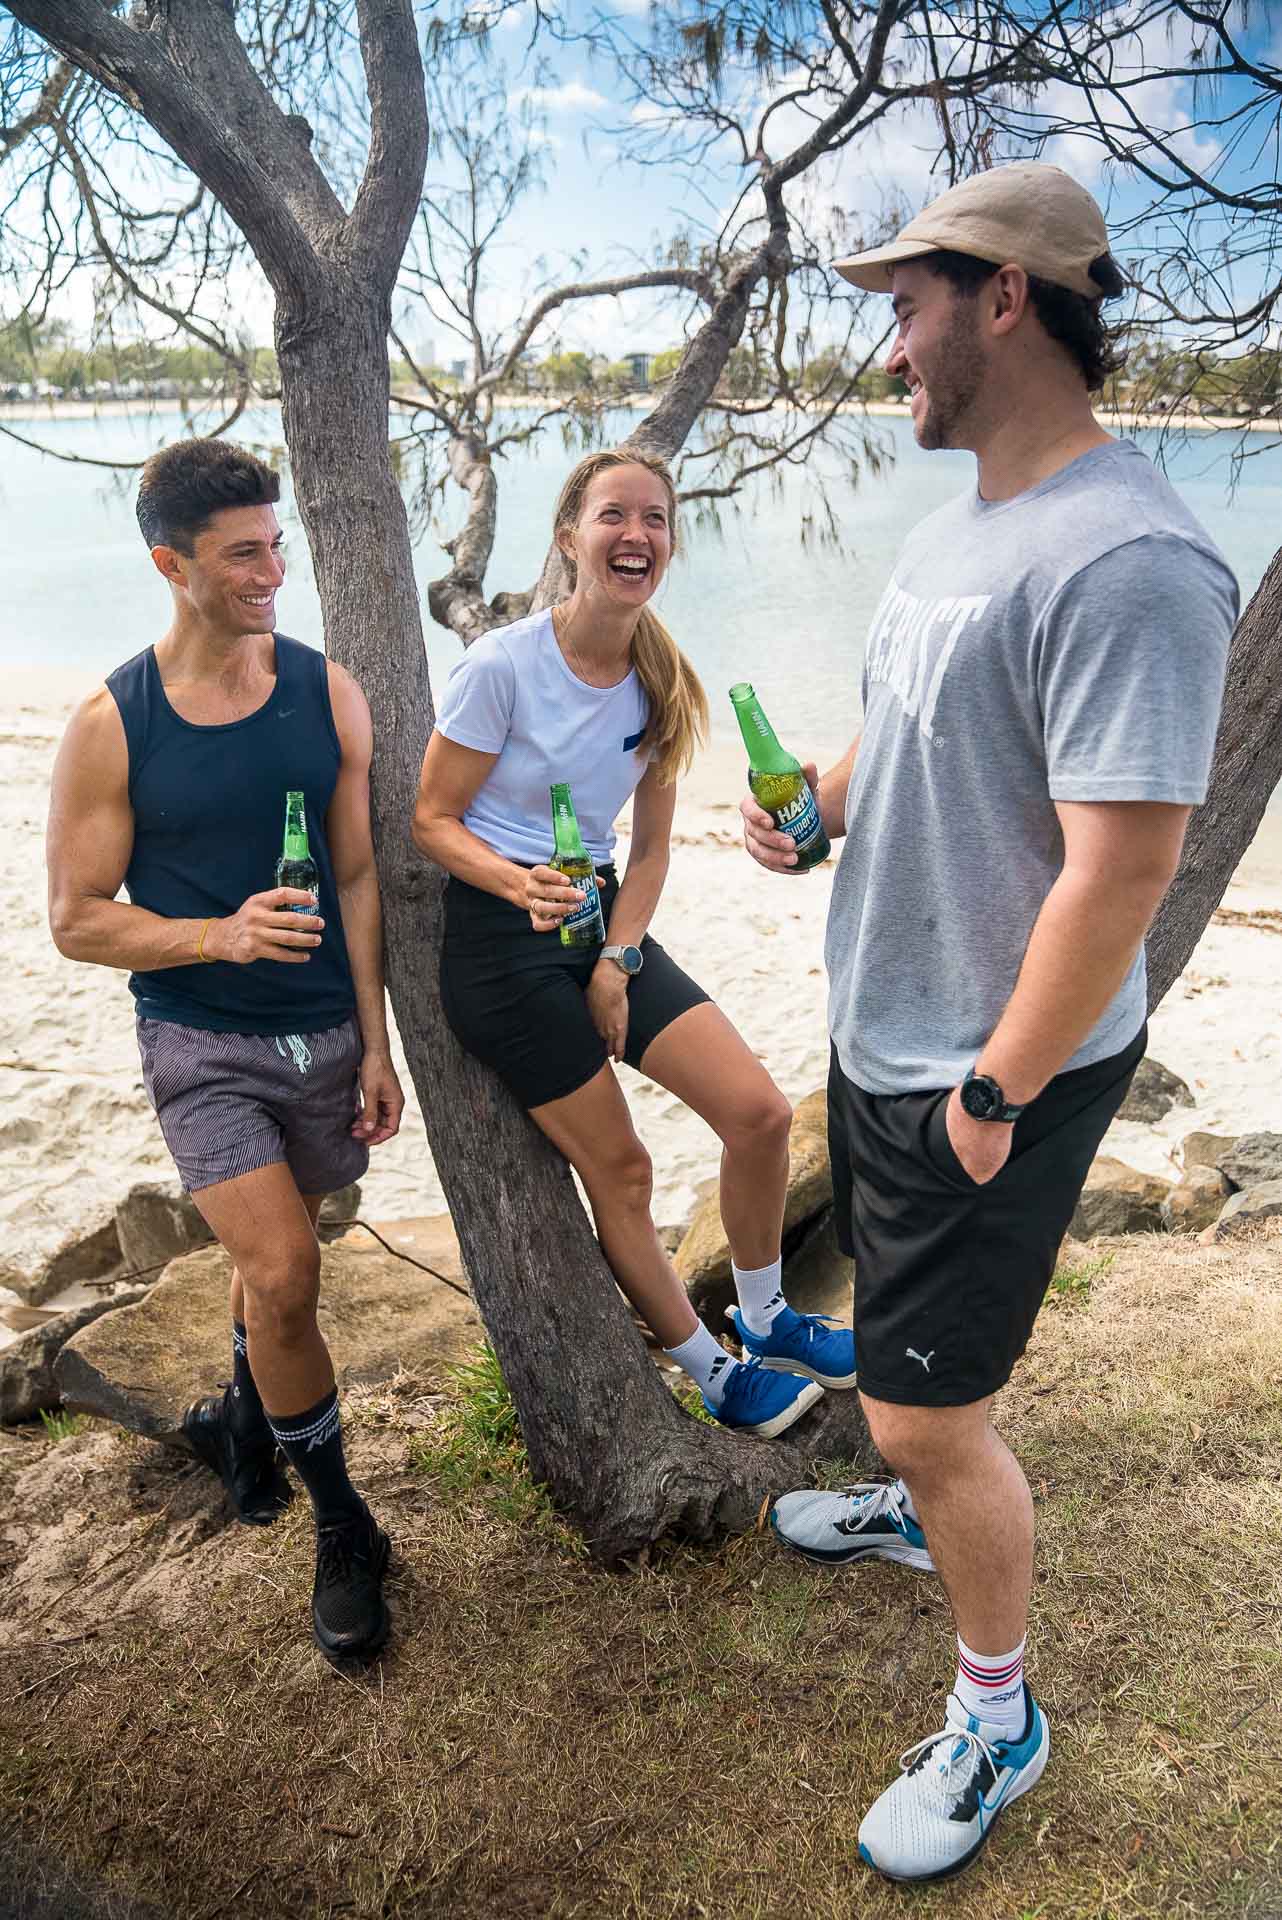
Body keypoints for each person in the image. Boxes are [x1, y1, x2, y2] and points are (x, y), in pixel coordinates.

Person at [744, 163, 1237, 1881]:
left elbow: (1123, 870)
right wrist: (818, 796)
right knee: (906, 1363)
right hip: (891, 1029)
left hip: (985, 1067)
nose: (887, 348)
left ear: (1002, 299)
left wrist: (990, 1090)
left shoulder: (1138, 559)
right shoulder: (969, 527)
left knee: (935, 1414)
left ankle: (997, 1717)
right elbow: (917, 723)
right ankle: (908, 1481)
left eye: (903, 307)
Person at [47, 437, 405, 1664]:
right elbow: (77, 919)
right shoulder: (114, 721)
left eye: (276, 544)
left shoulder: (327, 689)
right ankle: (344, 1525)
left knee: (271, 1278)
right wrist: (218, 932)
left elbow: (357, 872)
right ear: (171, 564)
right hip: (198, 1043)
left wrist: (374, 1040)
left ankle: (240, 1426)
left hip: (324, 1041)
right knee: (287, 1270)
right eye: (244, 554)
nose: (273, 570)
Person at [413, 447, 856, 1435]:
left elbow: (650, 853)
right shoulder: (501, 667)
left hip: (600, 921)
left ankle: (770, 1318)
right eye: (614, 514)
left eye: (655, 519)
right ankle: (714, 1372)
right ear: (569, 535)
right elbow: (432, 820)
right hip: (499, 944)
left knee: (760, 1116)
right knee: (622, 1170)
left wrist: (615, 962)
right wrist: (510, 879)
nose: (637, 534)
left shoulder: (661, 678)